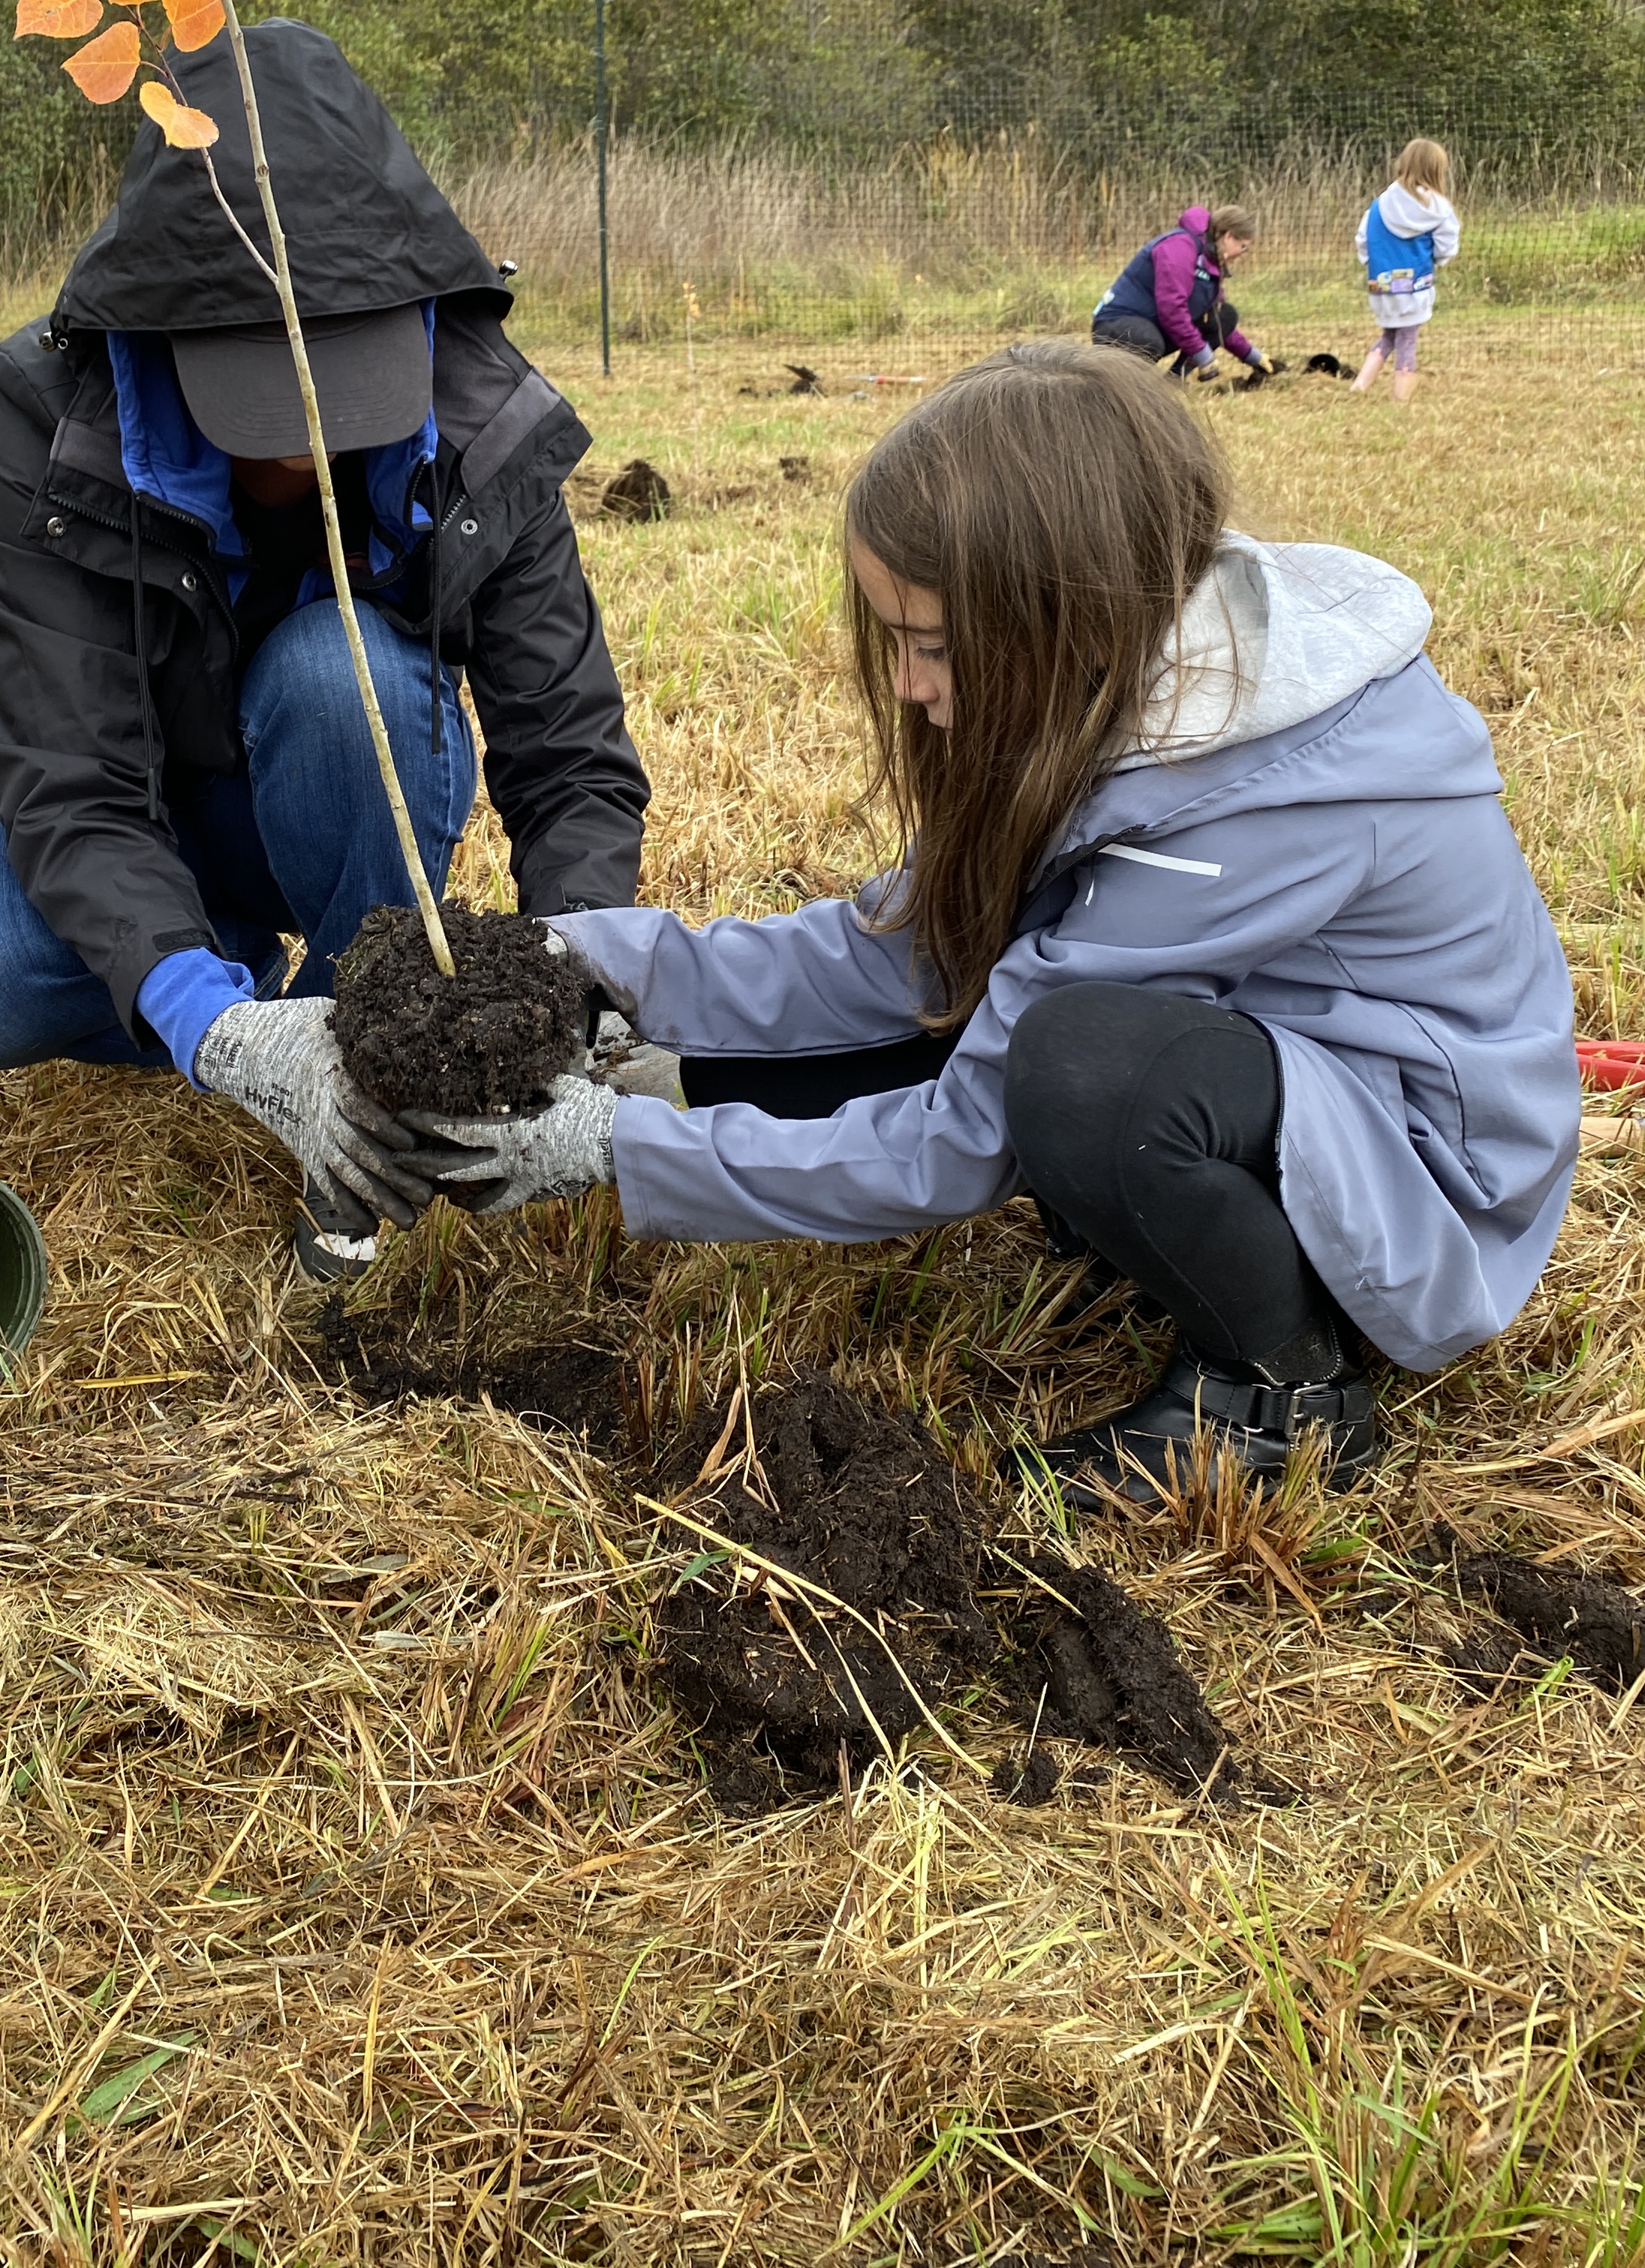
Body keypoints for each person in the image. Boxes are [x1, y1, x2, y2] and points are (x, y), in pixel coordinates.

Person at [399, 343, 1579, 1509]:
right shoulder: (1132, 683)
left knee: (1074, 1069)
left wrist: (612, 1150)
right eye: (895, 640)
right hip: (1277, 1071)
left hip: (1427, 1174)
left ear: (1061, 621)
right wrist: (604, 957)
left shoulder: (1251, 801)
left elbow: (954, 1144)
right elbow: (903, 950)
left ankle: (1278, 1393)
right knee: (985, 1011)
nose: (908, 686)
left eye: (934, 646)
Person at [0, 19, 650, 1287]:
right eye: (262, 405)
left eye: (343, 391)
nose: (303, 450)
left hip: (322, 772)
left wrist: (584, 975)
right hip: (133, 789)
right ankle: (234, 996)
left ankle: (361, 1051)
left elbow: (569, 755)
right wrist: (220, 1031)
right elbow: (70, 780)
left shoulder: (479, 417)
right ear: (158, 334)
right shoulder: (43, 419)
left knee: (341, 672)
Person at [1091, 203, 1274, 385]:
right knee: (1147, 341)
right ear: (1228, 236)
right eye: (1243, 247)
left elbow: (1216, 322)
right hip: (1115, 324)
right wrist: (1201, 353)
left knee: (1225, 315)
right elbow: (1172, 309)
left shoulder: (1211, 261)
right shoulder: (1180, 247)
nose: (1242, 253)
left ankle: (1173, 382)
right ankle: (1117, 387)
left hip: (1155, 324)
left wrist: (1252, 356)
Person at [1355, 138, 1461, 404]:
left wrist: (1376, 265)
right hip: (1416, 289)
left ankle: (1360, 385)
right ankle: (1401, 396)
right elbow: (1447, 247)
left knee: (1390, 335)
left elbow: (1363, 241)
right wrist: (1436, 259)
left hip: (1381, 287)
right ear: (1437, 169)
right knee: (1408, 339)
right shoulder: (1439, 208)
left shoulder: (1379, 205)